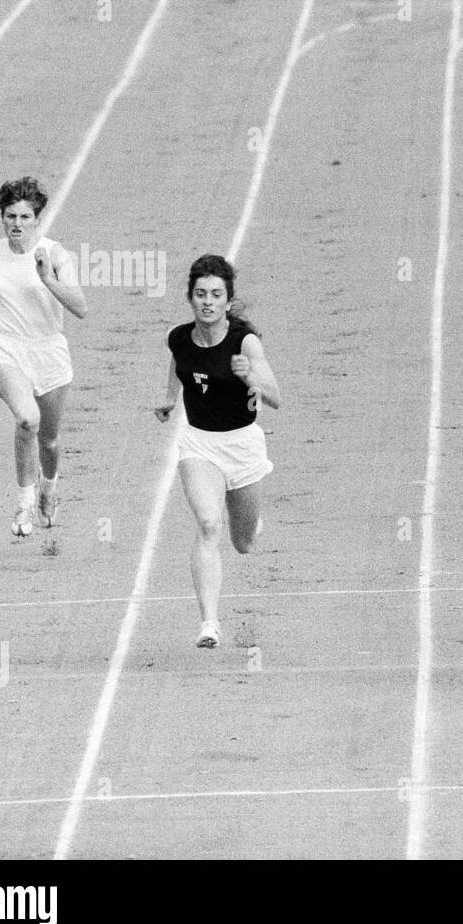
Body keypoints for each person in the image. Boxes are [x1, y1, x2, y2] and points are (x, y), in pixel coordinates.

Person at [156, 255, 280, 648]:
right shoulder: (179, 337)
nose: (207, 301)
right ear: (190, 299)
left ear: (228, 301)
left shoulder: (244, 341)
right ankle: (209, 622)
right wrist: (170, 398)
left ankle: (250, 520)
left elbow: (276, 397)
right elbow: (180, 363)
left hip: (242, 445)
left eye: (216, 295)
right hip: (199, 445)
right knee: (209, 525)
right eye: (200, 294)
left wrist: (252, 379)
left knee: (243, 543)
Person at [0, 176, 87, 537]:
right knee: (26, 420)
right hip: (6, 347)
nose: (16, 224)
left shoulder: (55, 254)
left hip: (49, 351)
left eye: (24, 217)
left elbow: (80, 307)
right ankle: (23, 503)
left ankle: (48, 490)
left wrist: (48, 279)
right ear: (2, 216)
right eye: (10, 216)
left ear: (37, 219)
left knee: (49, 439)